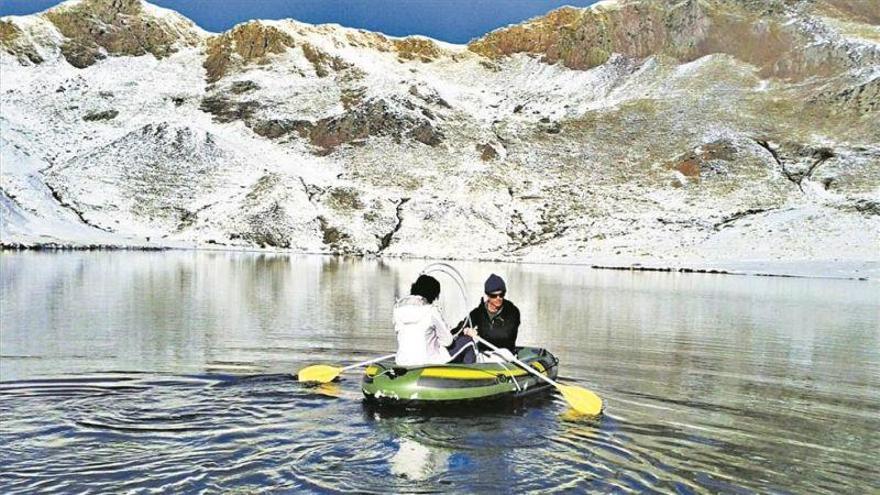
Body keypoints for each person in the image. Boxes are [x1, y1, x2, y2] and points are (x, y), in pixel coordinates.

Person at [448, 273, 520, 363]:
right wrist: (464, 331)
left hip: (504, 354)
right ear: (487, 295)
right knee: (464, 341)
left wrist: (477, 336)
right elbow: (457, 330)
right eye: (494, 295)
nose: (498, 298)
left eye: (501, 295)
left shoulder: (512, 312)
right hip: (483, 354)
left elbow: (505, 337)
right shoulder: (478, 312)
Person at [393, 274, 455, 366]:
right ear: (432, 295)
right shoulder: (432, 311)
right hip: (428, 363)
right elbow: (448, 341)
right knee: (466, 341)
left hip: (402, 361)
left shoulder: (397, 310)